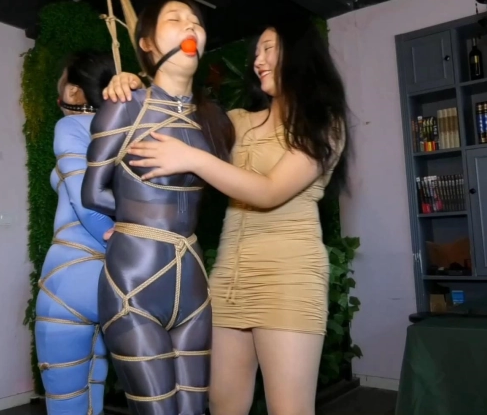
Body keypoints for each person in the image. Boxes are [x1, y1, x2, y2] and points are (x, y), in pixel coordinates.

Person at [103, 21, 350, 415]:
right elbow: (169, 115)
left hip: (289, 277)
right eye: (257, 52)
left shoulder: (324, 123)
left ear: (300, 55)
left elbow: (269, 191)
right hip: (228, 279)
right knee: (223, 405)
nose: (258, 60)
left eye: (269, 49)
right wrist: (134, 87)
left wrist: (193, 158)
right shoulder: (235, 121)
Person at [81, 0, 234, 415]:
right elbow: (92, 192)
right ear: (146, 43)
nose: (190, 26)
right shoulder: (126, 105)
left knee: (194, 409)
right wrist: (136, 220)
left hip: (194, 283)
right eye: (175, 18)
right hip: (134, 284)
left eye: (196, 21)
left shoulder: (213, 119)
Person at [34, 50, 138, 415]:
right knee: (95, 387)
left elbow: (85, 200)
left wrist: (112, 236)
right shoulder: (125, 130)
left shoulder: (70, 127)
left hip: (70, 276)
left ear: (74, 92)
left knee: (67, 400)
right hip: (114, 280)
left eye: (61, 82)